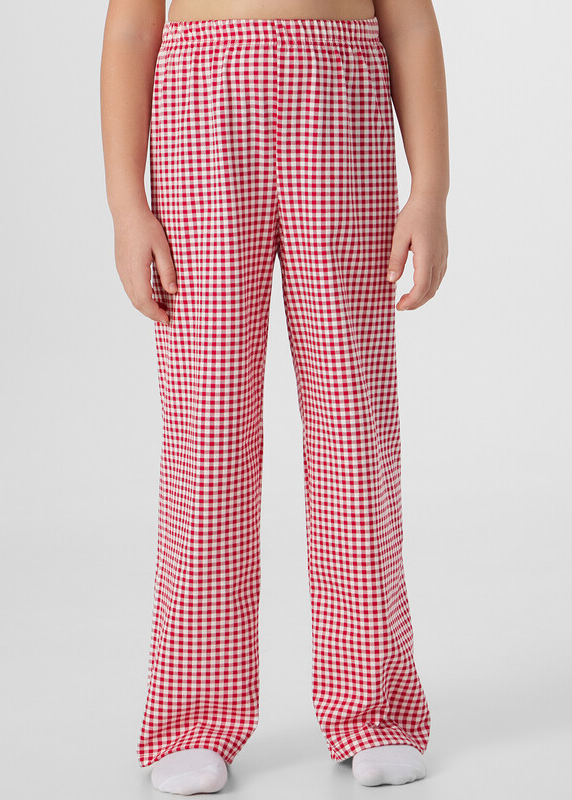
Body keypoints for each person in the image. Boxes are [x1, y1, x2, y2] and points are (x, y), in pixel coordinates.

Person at [100, 0, 449, 793]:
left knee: (353, 421)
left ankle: (376, 706)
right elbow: (130, 28)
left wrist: (429, 191)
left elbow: (411, 22)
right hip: (203, 111)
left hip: (340, 106)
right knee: (207, 429)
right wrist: (126, 204)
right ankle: (192, 715)